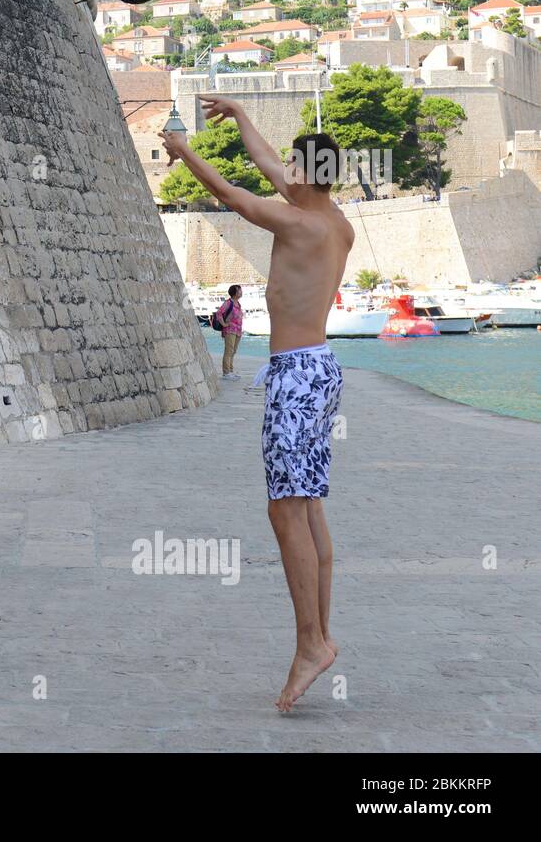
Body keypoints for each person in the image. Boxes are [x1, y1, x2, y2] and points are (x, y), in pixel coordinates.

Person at [163, 95, 354, 712]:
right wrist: (243, 115)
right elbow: (268, 167)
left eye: (292, 169)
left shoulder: (299, 223)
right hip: (318, 370)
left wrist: (185, 151)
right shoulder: (333, 221)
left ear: (306, 177)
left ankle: (309, 644)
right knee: (308, 509)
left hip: (296, 376)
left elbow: (238, 199)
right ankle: (319, 636)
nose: (282, 172)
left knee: (284, 512)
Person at [213, 285, 243, 379]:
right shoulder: (228, 303)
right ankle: (226, 373)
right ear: (234, 293)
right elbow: (219, 313)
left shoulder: (238, 303)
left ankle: (230, 371)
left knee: (233, 351)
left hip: (238, 330)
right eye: (239, 290)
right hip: (230, 330)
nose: (241, 292)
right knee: (229, 351)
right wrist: (224, 324)